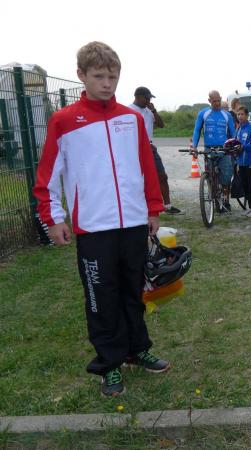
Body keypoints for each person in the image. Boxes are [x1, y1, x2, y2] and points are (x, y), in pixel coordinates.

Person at [33, 41, 169, 397]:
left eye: (113, 77)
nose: (107, 84)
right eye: (99, 76)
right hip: (93, 228)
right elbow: (47, 175)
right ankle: (109, 363)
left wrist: (152, 208)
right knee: (100, 297)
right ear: (81, 75)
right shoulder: (63, 121)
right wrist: (54, 218)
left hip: (133, 223)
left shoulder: (131, 118)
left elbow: (146, 166)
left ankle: (137, 349)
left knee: (134, 291)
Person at [128, 86, 181, 215]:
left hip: (150, 147)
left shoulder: (149, 111)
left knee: (162, 176)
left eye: (149, 98)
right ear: (137, 97)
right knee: (137, 179)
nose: (148, 101)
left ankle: (167, 206)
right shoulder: (128, 111)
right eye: (146, 98)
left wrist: (154, 111)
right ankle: (137, 207)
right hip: (134, 147)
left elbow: (161, 125)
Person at [191, 90, 236, 212]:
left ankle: (225, 200)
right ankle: (213, 197)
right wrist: (194, 146)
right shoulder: (203, 113)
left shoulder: (227, 115)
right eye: (214, 101)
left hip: (224, 149)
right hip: (209, 149)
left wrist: (234, 146)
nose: (217, 103)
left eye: (218, 101)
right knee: (210, 176)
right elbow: (197, 130)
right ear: (209, 101)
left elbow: (233, 133)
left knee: (226, 177)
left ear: (221, 98)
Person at [235, 106, 251, 217]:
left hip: (250, 162)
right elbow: (237, 143)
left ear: (247, 115)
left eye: (242, 114)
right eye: (238, 114)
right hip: (241, 162)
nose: (240, 116)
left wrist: (243, 147)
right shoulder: (239, 128)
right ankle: (250, 207)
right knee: (245, 185)